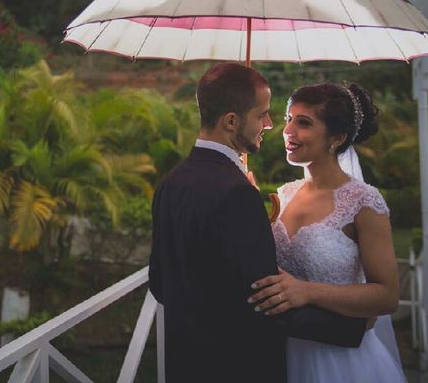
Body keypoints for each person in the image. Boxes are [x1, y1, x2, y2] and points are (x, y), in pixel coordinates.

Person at [148, 63, 367, 383]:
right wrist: (354, 327)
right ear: (232, 121)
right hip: (238, 365)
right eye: (261, 114)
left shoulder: (171, 182)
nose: (268, 124)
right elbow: (265, 301)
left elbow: (160, 282)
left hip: (185, 363)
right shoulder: (237, 194)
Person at [249, 82, 407, 382]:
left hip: (337, 360)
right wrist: (246, 205)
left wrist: (306, 291)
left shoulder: (364, 202)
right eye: (288, 118)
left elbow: (387, 296)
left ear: (337, 137)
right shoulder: (284, 195)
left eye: (304, 123)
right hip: (277, 350)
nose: (288, 131)